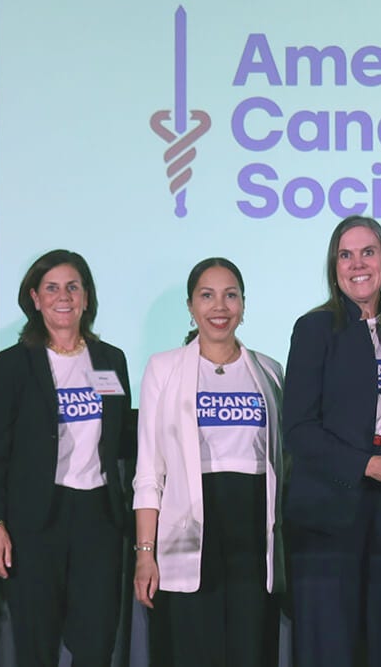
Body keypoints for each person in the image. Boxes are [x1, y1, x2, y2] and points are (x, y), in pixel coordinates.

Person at [283, 215, 381, 667]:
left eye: (367, 252)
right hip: (331, 514)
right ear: (334, 267)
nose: (357, 264)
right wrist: (369, 464)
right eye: (344, 255)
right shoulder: (314, 329)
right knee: (332, 648)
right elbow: (298, 429)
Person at [0, 249, 135, 666]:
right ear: (34, 298)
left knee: (97, 644)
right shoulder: (13, 365)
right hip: (35, 523)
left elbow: (122, 439)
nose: (63, 296)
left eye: (73, 287)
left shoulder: (111, 360)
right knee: (37, 646)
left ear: (86, 297)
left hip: (98, 519)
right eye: (51, 288)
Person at [132, 257, 285, 666]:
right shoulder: (163, 370)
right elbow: (149, 470)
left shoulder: (269, 371)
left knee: (251, 652)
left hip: (252, 539)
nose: (220, 307)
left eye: (230, 295)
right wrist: (145, 552)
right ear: (190, 306)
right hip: (191, 536)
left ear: (243, 305)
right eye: (207, 295)